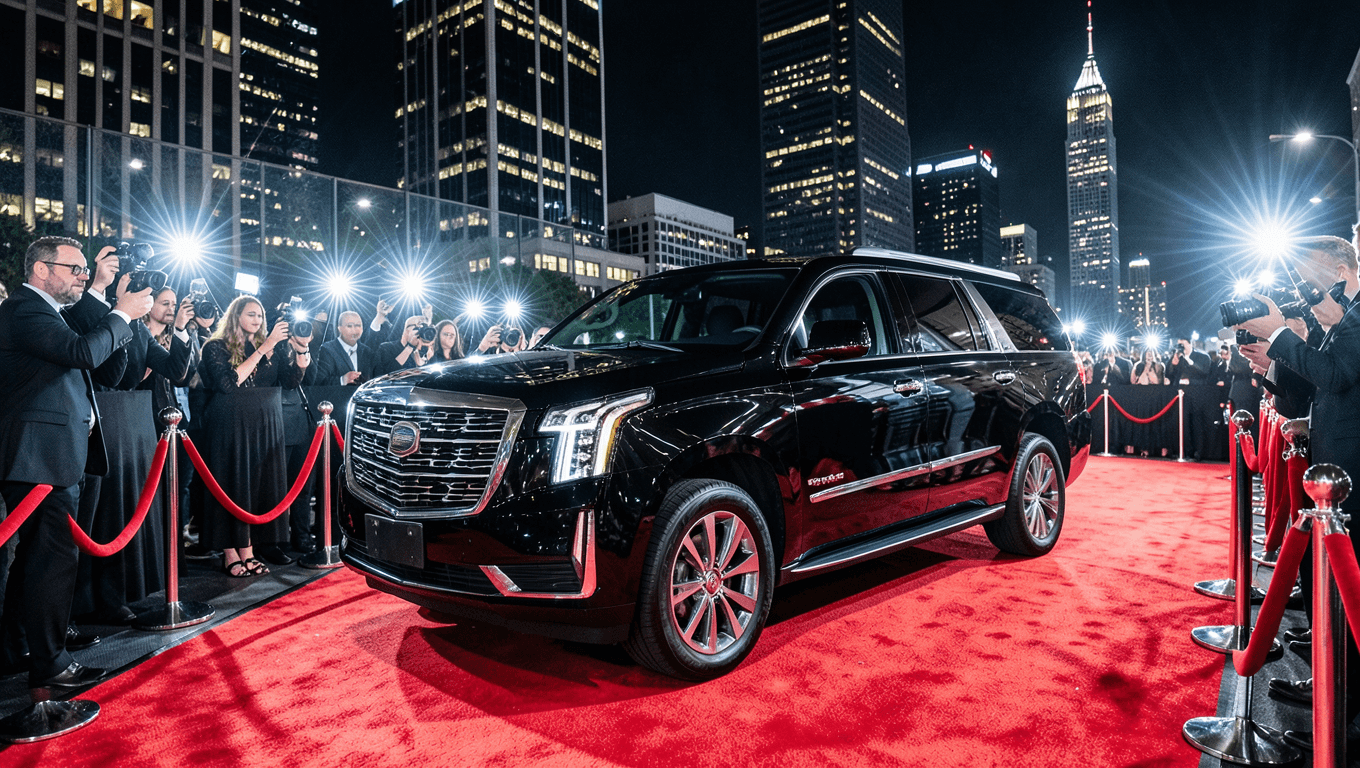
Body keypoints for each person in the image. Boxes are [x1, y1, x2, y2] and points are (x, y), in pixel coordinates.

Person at [0, 235, 150, 692]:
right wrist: (121, 314)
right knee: (51, 561)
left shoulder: (55, 313)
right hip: (38, 456)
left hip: (52, 454)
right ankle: (50, 664)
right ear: (41, 269)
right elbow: (81, 353)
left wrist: (118, 319)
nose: (83, 276)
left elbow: (107, 371)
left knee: (35, 560)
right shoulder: (25, 309)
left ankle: (17, 649)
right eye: (75, 268)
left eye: (85, 269)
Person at [1237, 234, 1360, 749]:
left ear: (1341, 270)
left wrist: (1281, 335)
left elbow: (1338, 375)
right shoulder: (1341, 319)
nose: (1306, 288)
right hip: (1334, 472)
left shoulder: (1355, 317)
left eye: (1311, 277)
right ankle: (1335, 691)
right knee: (1335, 591)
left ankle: (1345, 718)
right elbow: (1327, 388)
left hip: (1350, 478)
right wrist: (1275, 364)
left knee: (1349, 595)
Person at [199, 295, 311, 577]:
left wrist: (301, 350)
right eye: (251, 314)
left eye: (260, 315)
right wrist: (265, 347)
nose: (258, 320)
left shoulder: (270, 347)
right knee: (231, 485)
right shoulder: (216, 346)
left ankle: (248, 550)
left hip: (264, 425)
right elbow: (229, 383)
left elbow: (290, 381)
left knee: (256, 487)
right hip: (229, 425)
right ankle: (229, 553)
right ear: (235, 316)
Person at [312, 310, 377, 385]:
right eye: (349, 326)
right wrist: (342, 380)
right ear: (340, 328)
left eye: (358, 325)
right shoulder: (327, 349)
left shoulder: (367, 351)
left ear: (362, 329)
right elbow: (319, 382)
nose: (354, 330)